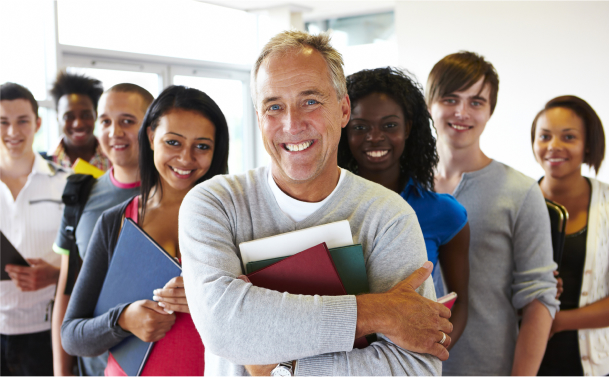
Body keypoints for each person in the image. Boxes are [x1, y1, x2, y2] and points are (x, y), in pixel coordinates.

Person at [179, 31, 451, 377]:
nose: (292, 124)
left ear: (343, 109)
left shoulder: (388, 216)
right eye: (274, 106)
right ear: (259, 117)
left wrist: (283, 367)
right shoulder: (214, 204)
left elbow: (415, 368)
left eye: (310, 101)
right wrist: (377, 312)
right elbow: (223, 327)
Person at [60, 85, 229, 376]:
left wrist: (209, 302)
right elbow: (73, 335)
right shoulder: (116, 221)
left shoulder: (233, 219)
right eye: (173, 142)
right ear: (151, 137)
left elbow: (262, 320)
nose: (186, 158)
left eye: (202, 146)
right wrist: (123, 319)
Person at [426, 51, 559, 376]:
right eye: (450, 99)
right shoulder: (402, 188)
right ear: (430, 104)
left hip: (488, 366)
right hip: (409, 366)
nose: (461, 112)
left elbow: (540, 300)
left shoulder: (521, 192)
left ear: (490, 111)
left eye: (476, 102)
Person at [337, 67, 470, 350]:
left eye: (389, 125)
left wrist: (433, 351)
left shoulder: (445, 213)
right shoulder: (324, 206)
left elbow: (461, 303)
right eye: (360, 127)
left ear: (408, 128)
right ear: (344, 127)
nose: (374, 137)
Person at [51, 83, 154, 376]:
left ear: (151, 128)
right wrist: (61, 372)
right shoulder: (81, 195)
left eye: (127, 121)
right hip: (95, 363)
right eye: (106, 121)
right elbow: (67, 291)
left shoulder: (178, 195)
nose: (114, 132)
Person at [531, 95, 609, 376]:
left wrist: (558, 321)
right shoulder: (516, 203)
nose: (554, 146)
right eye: (545, 136)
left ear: (588, 144)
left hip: (591, 364)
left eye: (568, 137)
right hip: (520, 358)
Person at [0, 82, 69, 375]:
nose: (13, 132)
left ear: (38, 123)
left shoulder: (66, 184)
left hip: (46, 329)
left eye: (22, 121)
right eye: (3, 122)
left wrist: (54, 274)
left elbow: (86, 257)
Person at [47, 71, 110, 171]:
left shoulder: (113, 159)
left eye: (86, 115)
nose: (78, 124)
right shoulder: (45, 163)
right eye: (69, 117)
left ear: (96, 114)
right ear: (58, 117)